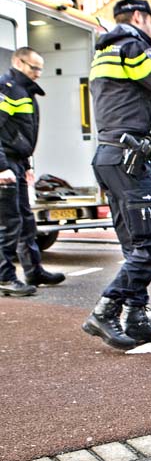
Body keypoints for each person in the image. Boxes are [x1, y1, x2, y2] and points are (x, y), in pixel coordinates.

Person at [82, 0, 151, 350]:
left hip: (111, 156)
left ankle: (136, 316)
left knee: (135, 246)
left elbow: (132, 95)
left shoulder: (108, 52)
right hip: (129, 158)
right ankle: (106, 309)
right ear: (139, 18)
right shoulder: (132, 46)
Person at [0, 47, 66, 297]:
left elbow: (18, 132)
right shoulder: (7, 89)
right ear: (18, 62)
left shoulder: (23, 90)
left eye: (40, 68)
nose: (38, 73)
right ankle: (5, 277)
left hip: (16, 163)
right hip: (5, 165)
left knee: (26, 221)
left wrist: (25, 165)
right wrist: (2, 167)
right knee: (8, 224)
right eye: (33, 67)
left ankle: (33, 271)